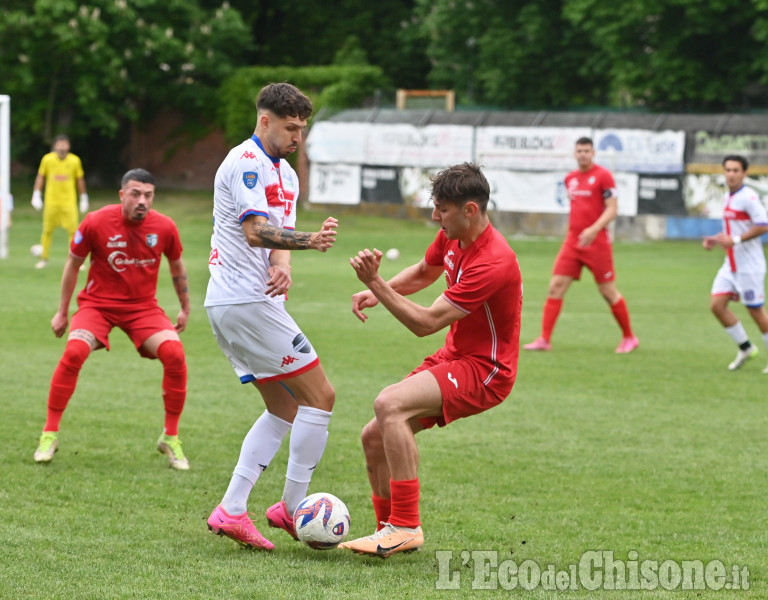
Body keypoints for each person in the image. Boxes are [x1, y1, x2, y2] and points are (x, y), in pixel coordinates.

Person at [340, 162, 522, 558]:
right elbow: (425, 271)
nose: (435, 216)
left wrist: (374, 284)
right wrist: (381, 291)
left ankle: (405, 525)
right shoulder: (451, 238)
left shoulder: (494, 261)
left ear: (469, 210)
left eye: (442, 208)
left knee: (390, 404)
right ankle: (388, 531)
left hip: (487, 370)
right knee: (374, 436)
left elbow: (425, 323)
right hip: (456, 356)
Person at [205, 82, 339, 552]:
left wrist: (283, 267)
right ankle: (291, 506)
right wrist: (309, 241)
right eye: (290, 127)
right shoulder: (244, 162)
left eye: (302, 128)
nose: (297, 136)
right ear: (265, 120)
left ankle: (232, 510)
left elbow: (274, 241)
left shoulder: (287, 174)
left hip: (249, 301)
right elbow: (258, 231)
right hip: (243, 302)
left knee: (284, 407)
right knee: (320, 395)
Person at [33, 168, 191, 470]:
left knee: (174, 353)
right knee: (74, 351)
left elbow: (177, 266)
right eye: (135, 194)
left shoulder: (165, 227)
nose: (142, 200)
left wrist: (184, 307)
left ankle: (170, 438)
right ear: (122, 195)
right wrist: (62, 311)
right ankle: (49, 433)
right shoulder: (95, 221)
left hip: (143, 308)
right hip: (97, 306)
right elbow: (72, 264)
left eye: (148, 195)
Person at [524, 136, 638, 353]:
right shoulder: (570, 179)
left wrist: (594, 229)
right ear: (575, 154)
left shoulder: (604, 176)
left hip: (597, 243)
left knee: (608, 292)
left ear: (593, 153)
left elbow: (612, 209)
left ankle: (629, 337)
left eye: (587, 150)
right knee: (555, 286)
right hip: (573, 242)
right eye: (579, 151)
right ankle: (544, 339)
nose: (583, 154)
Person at [703, 155, 768, 371]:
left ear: (745, 173)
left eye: (736, 170)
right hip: (730, 265)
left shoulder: (748, 197)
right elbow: (733, 230)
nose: (731, 174)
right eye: (728, 170)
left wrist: (736, 240)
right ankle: (746, 347)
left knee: (755, 311)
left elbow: (763, 224)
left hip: (749, 266)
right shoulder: (728, 196)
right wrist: (716, 239)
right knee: (716, 305)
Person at [30, 134, 89, 269]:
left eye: (65, 143)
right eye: (60, 143)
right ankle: (44, 258)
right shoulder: (47, 159)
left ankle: (76, 260)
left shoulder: (75, 161)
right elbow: (41, 176)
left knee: (74, 231)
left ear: (68, 146)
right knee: (47, 230)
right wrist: (36, 194)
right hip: (51, 201)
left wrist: (84, 197)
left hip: (69, 202)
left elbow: (80, 180)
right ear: (55, 146)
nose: (62, 146)